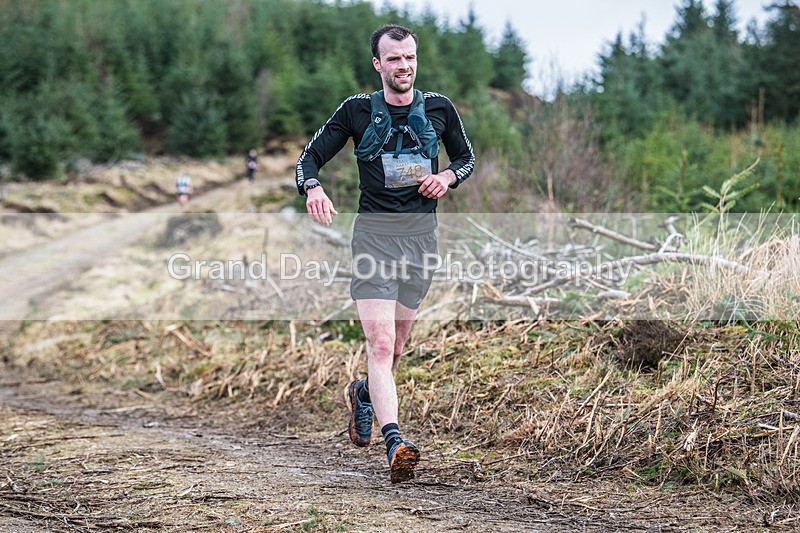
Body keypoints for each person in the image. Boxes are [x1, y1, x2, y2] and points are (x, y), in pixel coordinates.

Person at [295, 23, 475, 483]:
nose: (404, 65)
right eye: (394, 58)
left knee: (395, 348)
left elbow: (466, 159)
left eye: (410, 57)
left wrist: (446, 178)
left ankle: (363, 393)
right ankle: (395, 441)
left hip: (421, 241)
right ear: (378, 63)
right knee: (378, 343)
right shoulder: (357, 110)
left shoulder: (439, 108)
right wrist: (312, 187)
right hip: (374, 239)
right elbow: (308, 159)